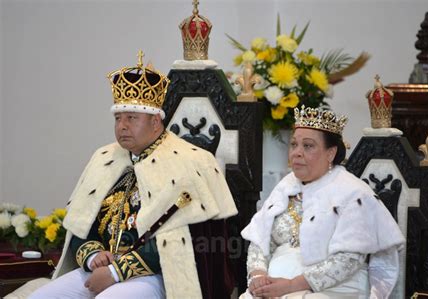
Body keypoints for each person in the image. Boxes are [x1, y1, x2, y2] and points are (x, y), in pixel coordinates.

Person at [28, 51, 237, 299]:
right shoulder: (104, 157)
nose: (122, 126)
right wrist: (95, 256)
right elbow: (82, 224)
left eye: (132, 118)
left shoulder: (191, 161)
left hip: (161, 275)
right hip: (101, 269)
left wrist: (117, 272)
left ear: (156, 123)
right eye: (118, 118)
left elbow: (186, 239)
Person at [240, 106, 405, 299]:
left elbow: (348, 260)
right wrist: (258, 275)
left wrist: (291, 286)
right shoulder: (285, 186)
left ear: (331, 153)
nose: (297, 153)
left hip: (334, 288)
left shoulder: (353, 192)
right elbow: (260, 240)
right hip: (276, 285)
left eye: (308, 146)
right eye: (294, 144)